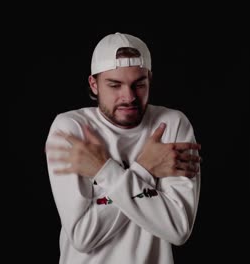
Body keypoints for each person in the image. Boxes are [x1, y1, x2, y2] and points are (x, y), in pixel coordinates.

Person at [45, 32, 201, 264]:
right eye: (114, 85)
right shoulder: (71, 129)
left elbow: (178, 228)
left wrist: (105, 172)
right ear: (94, 84)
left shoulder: (173, 124)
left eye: (138, 84)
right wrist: (146, 169)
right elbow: (82, 235)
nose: (128, 97)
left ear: (149, 78)